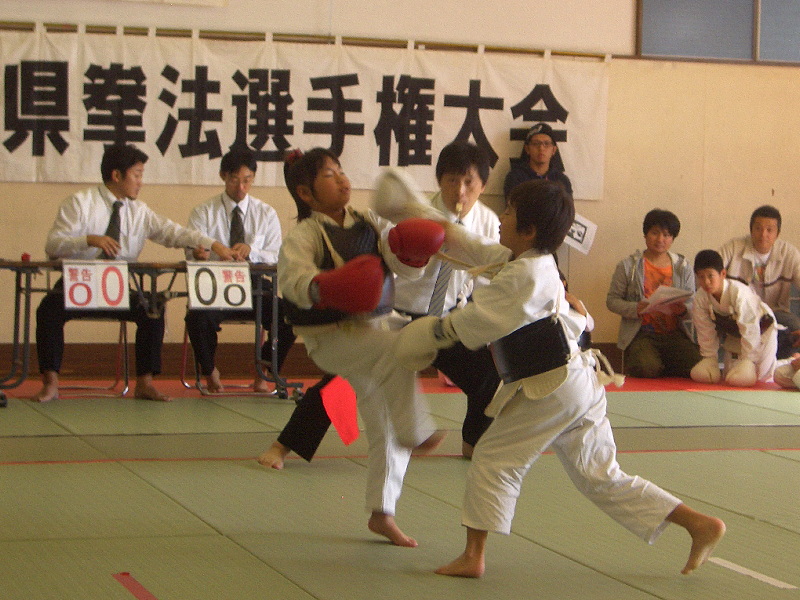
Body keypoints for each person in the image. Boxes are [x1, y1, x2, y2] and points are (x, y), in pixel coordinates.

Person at [393, 180, 726, 578]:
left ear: (528, 230)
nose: (500, 219)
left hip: (552, 388)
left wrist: (415, 337)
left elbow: (466, 326)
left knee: (493, 457)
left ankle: (473, 557)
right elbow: (474, 246)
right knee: (601, 476)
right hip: (579, 382)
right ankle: (698, 524)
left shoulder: (523, 276)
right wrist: (422, 214)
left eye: (509, 213)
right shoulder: (531, 260)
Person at [258, 141, 501, 467]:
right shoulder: (415, 212)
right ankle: (283, 445)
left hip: (445, 317)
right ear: (440, 180)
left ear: (483, 185)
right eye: (452, 180)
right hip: (394, 313)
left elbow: (485, 280)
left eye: (469, 182)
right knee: (341, 384)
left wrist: (485, 325)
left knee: (485, 375)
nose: (460, 190)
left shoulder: (488, 223)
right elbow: (393, 262)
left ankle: (473, 443)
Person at [274, 147, 446, 548]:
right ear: (305, 193)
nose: (342, 179)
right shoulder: (305, 234)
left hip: (373, 328)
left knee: (385, 420)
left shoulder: (370, 222)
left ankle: (382, 512)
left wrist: (411, 252)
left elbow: (399, 268)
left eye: (341, 171)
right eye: (329, 175)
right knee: (397, 351)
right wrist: (327, 287)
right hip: (332, 338)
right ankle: (417, 430)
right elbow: (292, 281)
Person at [33, 144, 236, 403]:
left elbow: (174, 232)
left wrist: (212, 244)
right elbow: (53, 245)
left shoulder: (139, 211)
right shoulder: (80, 202)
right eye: (137, 175)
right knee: (48, 310)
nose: (141, 182)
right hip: (77, 283)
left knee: (153, 308)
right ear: (117, 175)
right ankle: (50, 383)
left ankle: (145, 383)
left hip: (115, 286)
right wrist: (89, 239)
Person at [185, 149, 296, 393]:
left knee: (290, 317)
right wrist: (199, 254)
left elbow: (277, 255)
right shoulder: (204, 211)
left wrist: (251, 252)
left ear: (253, 178)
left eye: (247, 180)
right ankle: (210, 371)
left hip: (254, 285)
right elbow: (191, 249)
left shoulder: (265, 213)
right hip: (215, 285)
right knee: (196, 318)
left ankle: (264, 370)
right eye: (235, 179)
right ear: (223, 176)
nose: (241, 187)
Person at [606, 209, 701, 378]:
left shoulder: (683, 266)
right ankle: (656, 364)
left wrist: (683, 309)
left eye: (666, 235)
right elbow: (612, 301)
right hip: (642, 334)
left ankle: (663, 364)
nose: (660, 239)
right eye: (655, 233)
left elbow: (692, 301)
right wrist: (636, 308)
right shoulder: (628, 266)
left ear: (673, 238)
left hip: (674, 333)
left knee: (698, 366)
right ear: (645, 234)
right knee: (646, 367)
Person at [719, 205, 800, 359]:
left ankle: (785, 364)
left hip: (775, 312)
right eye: (758, 228)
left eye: (769, 230)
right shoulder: (733, 247)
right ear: (751, 230)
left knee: (795, 327)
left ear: (777, 233)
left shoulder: (789, 253)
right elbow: (712, 272)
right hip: (738, 312)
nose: (763, 234)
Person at [690, 249, 777, 386]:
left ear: (722, 274)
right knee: (729, 378)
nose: (706, 282)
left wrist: (748, 360)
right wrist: (709, 357)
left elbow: (750, 328)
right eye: (701, 277)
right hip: (735, 334)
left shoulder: (739, 292)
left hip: (761, 331)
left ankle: (787, 363)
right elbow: (705, 330)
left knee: (761, 378)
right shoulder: (701, 297)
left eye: (710, 276)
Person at [503, 122, 572, 199]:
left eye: (546, 144)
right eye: (536, 143)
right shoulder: (515, 178)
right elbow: (513, 205)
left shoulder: (562, 180)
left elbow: (567, 206)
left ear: (553, 150)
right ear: (527, 149)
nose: (541, 148)